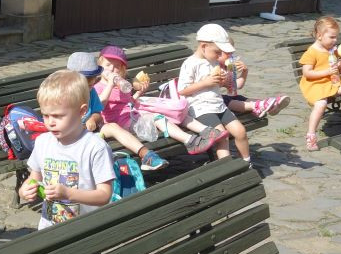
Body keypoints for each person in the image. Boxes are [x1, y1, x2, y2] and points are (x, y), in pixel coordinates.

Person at [18, 70, 115, 229]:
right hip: (49, 227)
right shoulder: (43, 142)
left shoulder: (95, 147)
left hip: (85, 229)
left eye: (58, 116)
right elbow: (34, 178)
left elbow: (104, 195)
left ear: (82, 111)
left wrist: (69, 194)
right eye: (45, 115)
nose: (50, 122)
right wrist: (25, 190)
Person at [93, 46, 217, 162]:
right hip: (120, 123)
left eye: (116, 67)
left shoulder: (121, 85)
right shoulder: (98, 87)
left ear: (122, 69)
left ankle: (204, 132)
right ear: (100, 66)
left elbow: (129, 103)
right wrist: (110, 84)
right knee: (157, 118)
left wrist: (139, 92)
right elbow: (99, 105)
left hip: (133, 116)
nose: (112, 69)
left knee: (167, 113)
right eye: (108, 65)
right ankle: (190, 140)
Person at [67, 51, 167, 171]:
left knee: (113, 127)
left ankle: (146, 155)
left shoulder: (91, 91)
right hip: (71, 135)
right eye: (87, 80)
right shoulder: (65, 94)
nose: (91, 83)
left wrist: (93, 118)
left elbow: (98, 113)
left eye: (93, 79)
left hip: (92, 132)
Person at [178, 25, 250, 162]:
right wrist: (205, 83)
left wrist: (224, 81)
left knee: (240, 131)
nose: (219, 56)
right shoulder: (190, 63)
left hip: (218, 105)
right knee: (222, 136)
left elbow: (220, 85)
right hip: (201, 108)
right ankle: (227, 168)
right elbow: (182, 90)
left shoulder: (214, 61)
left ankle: (246, 162)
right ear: (204, 46)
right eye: (217, 52)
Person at [298, 16, 341, 151]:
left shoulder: (332, 50)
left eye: (336, 37)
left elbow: (339, 68)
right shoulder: (312, 52)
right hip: (315, 85)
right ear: (319, 36)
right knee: (321, 104)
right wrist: (327, 71)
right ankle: (311, 135)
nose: (335, 40)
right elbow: (307, 73)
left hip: (332, 82)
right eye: (332, 37)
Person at [214, 36, 290, 119]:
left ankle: (270, 105)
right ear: (217, 52)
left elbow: (237, 86)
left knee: (237, 98)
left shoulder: (228, 66)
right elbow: (209, 87)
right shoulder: (211, 66)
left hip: (221, 99)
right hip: (211, 102)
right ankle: (259, 105)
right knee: (225, 99)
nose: (230, 56)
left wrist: (244, 71)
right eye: (227, 53)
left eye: (231, 53)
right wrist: (222, 83)